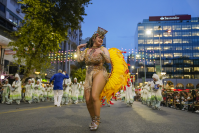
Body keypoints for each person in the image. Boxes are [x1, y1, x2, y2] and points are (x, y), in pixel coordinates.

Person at [77, 27, 111, 131]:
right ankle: (93, 119)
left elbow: (108, 60)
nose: (101, 40)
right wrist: (78, 49)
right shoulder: (87, 50)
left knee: (94, 96)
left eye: (102, 38)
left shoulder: (103, 49)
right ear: (94, 39)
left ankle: (97, 120)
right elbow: (79, 59)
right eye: (99, 38)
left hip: (100, 71)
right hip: (89, 73)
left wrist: (103, 54)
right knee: (87, 100)